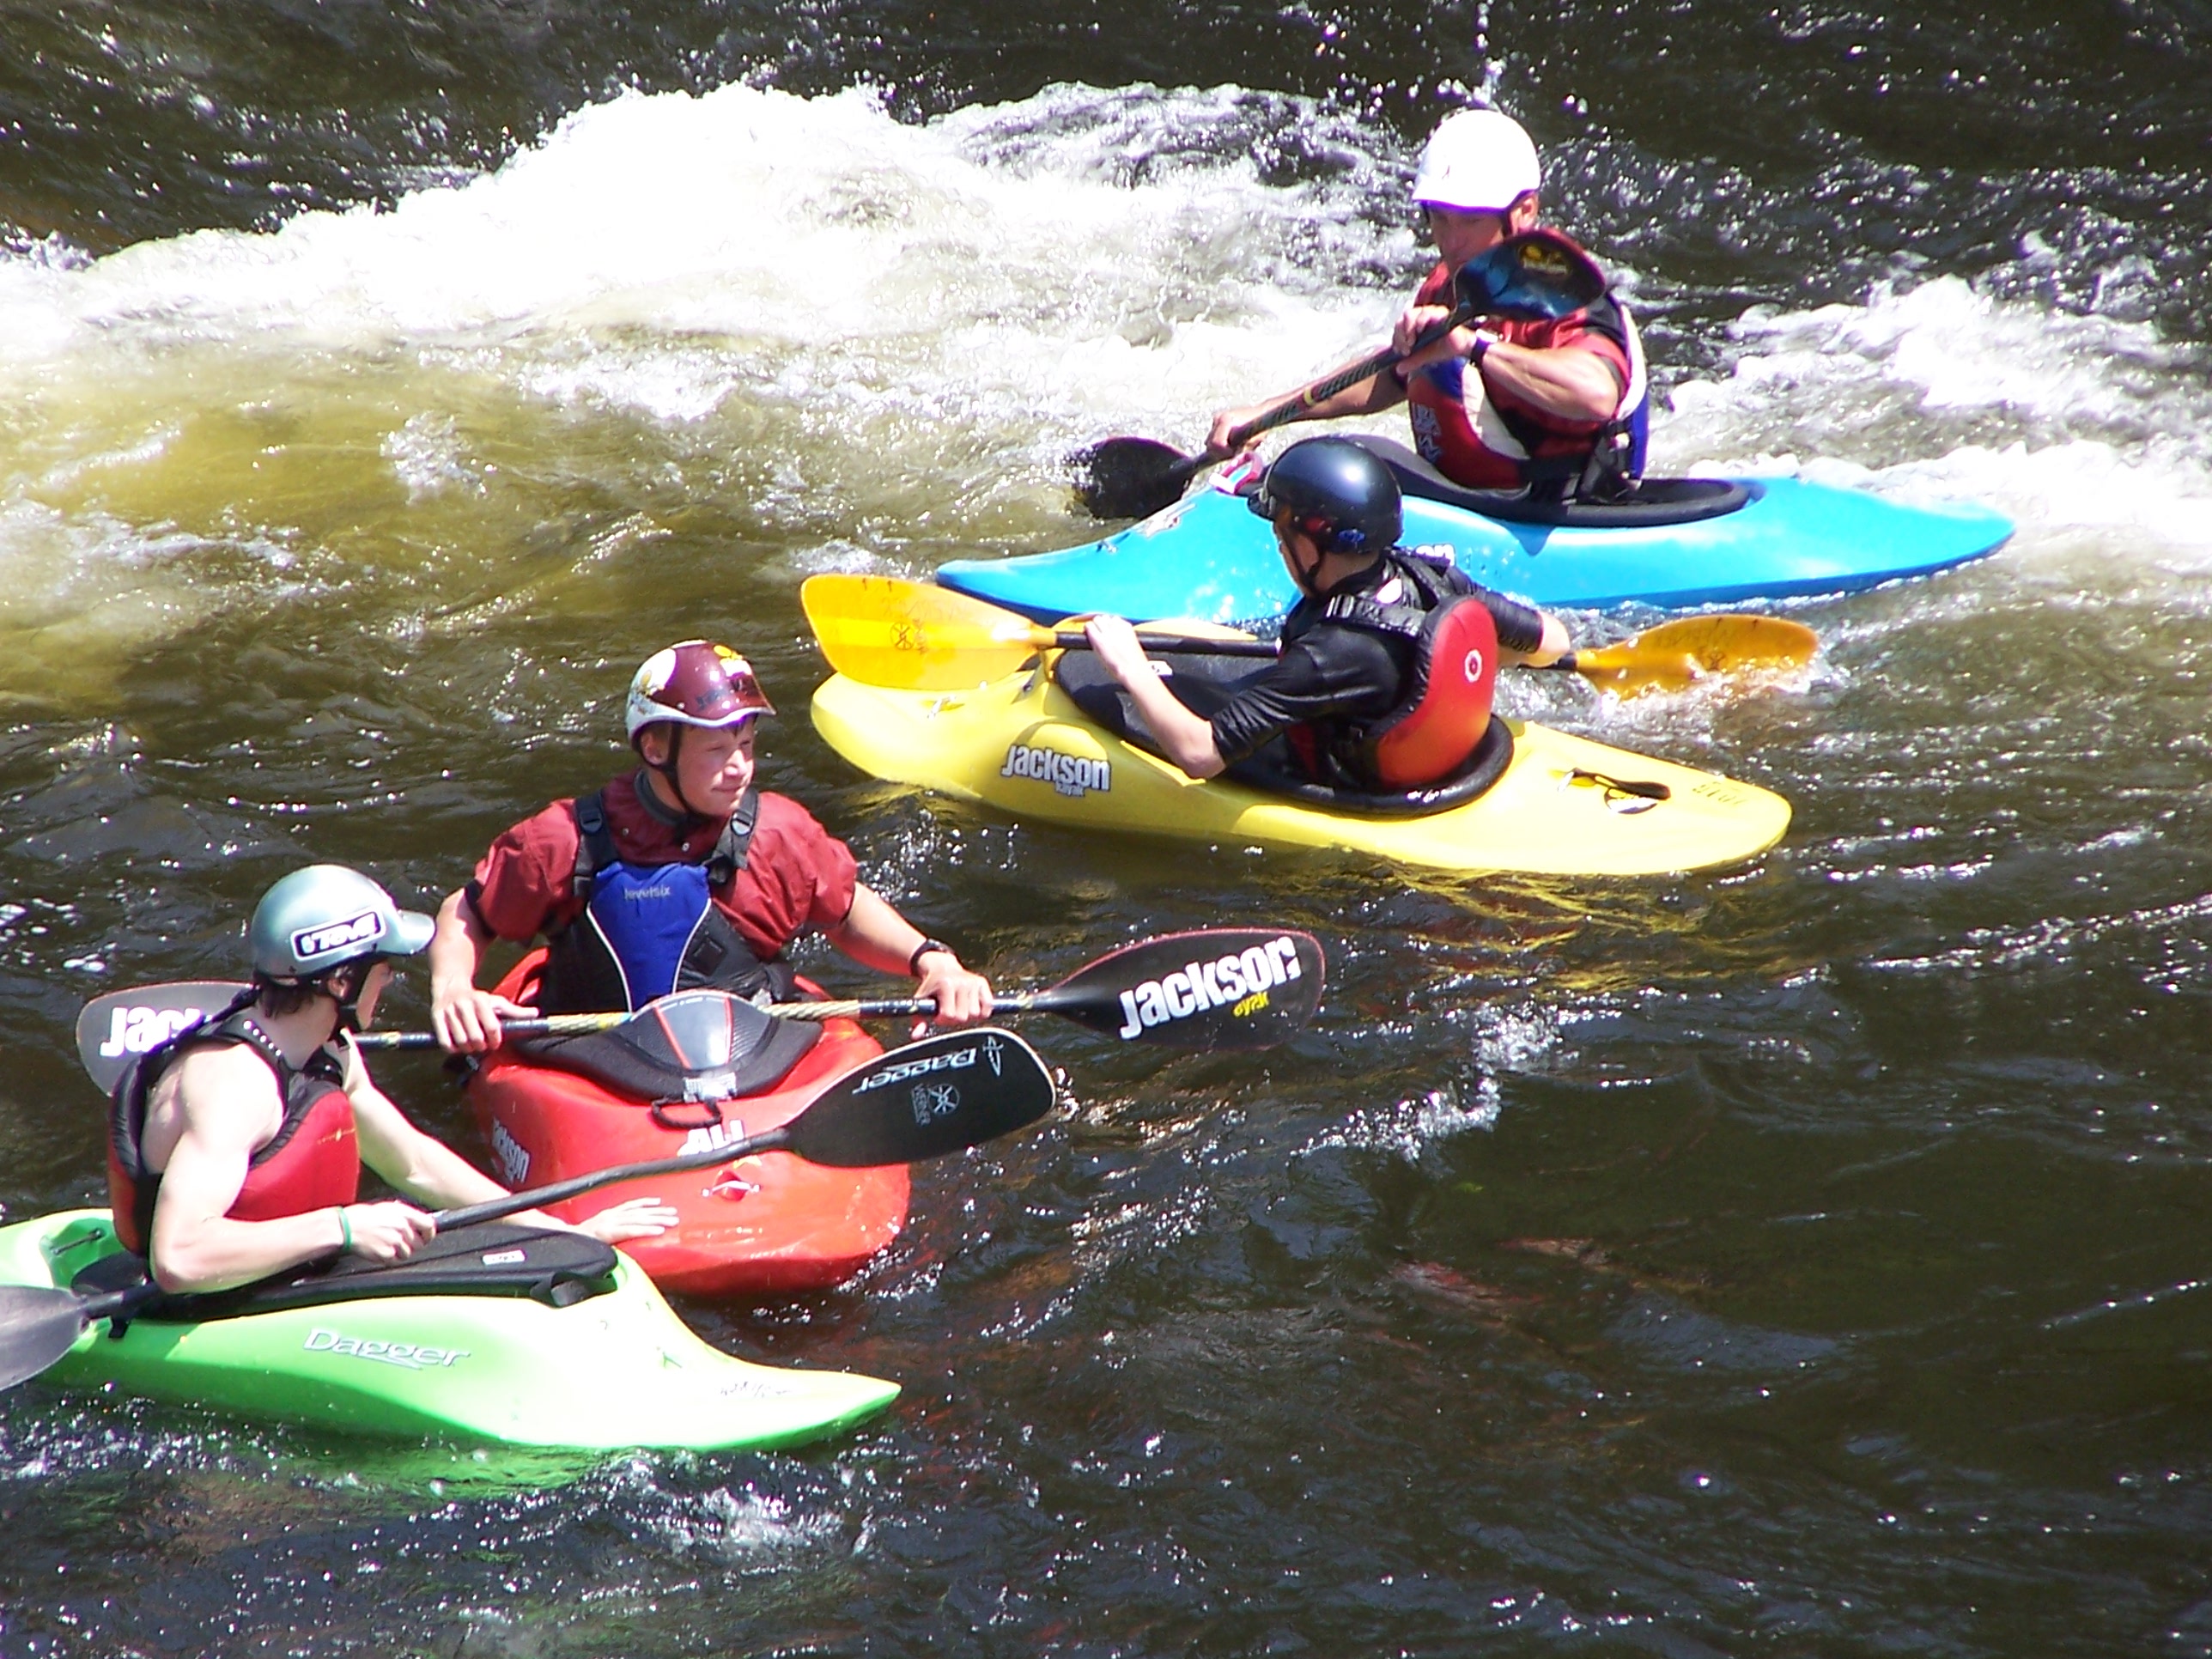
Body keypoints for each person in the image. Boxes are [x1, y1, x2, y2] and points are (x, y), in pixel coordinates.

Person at [108, 865, 674, 1295]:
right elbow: (178, 1258)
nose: (390, 983)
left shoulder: (330, 1051)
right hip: (204, 1299)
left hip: (290, 1273)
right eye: (383, 970)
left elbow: (413, 1162)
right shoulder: (236, 1085)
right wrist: (344, 1228)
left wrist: (562, 1231)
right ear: (340, 982)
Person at [428, 639, 993, 1053]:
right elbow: (469, 911)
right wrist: (453, 988)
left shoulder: (778, 832)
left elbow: (845, 911)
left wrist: (933, 960)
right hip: (596, 1062)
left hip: (748, 1057)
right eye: (717, 751)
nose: (740, 767)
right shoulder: (565, 839)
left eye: (746, 745)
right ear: (656, 749)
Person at [1081, 438, 1571, 792]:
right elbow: (1553, 643)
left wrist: (1131, 666)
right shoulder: (1432, 577)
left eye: (1283, 534)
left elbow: (1200, 754)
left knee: (1138, 693)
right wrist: (1453, 655)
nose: (1278, 545)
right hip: (1451, 759)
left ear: (1316, 543)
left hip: (1349, 776)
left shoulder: (1329, 654)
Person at [1206, 107, 1647, 501]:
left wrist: (1472, 346)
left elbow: (1596, 395)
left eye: (1471, 221)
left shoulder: (1565, 293)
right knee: (1337, 468)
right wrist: (1268, 414)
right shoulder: (1453, 283)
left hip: (1569, 506)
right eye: (1439, 217)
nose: (1451, 241)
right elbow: (1392, 373)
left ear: (1525, 211)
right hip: (1486, 499)